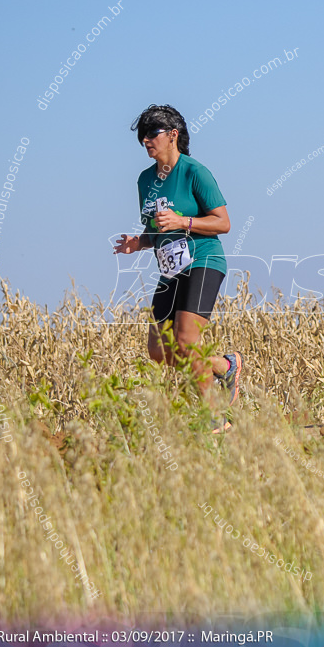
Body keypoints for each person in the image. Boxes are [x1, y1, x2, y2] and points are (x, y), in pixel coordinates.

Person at [113, 104, 240, 433]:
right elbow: (156, 230)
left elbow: (223, 223)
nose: (145, 140)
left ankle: (215, 417)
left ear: (173, 135)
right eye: (142, 136)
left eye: (152, 133)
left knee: (185, 340)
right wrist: (138, 242)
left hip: (204, 259)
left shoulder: (194, 171)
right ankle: (224, 366)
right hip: (171, 268)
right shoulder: (144, 180)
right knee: (158, 349)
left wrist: (183, 221)